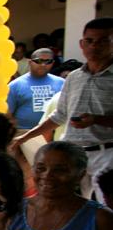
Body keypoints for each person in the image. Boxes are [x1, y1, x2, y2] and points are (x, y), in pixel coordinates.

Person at [14, 17, 113, 201]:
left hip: (107, 154)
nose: (94, 46)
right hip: (72, 155)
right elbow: (59, 116)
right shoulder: (74, 77)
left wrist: (96, 119)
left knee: (106, 208)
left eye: (103, 41)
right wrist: (25, 137)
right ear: (82, 44)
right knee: (64, 204)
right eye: (89, 41)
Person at [7, 47, 64, 138]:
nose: (43, 65)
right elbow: (9, 114)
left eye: (48, 61)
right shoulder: (15, 85)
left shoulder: (62, 83)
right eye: (39, 61)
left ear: (53, 63)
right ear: (30, 62)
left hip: (54, 131)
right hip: (24, 132)